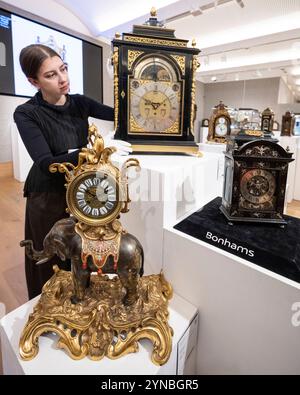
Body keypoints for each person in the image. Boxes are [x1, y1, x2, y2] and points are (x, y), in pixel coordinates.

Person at [14, 44, 131, 300]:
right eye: (51, 75)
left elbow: (124, 116)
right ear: (34, 81)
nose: (63, 78)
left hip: (79, 193)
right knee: (49, 258)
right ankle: (46, 307)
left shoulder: (79, 103)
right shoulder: (26, 113)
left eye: (63, 69)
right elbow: (47, 162)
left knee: (78, 254)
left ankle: (76, 303)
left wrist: (126, 82)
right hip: (47, 195)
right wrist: (98, 151)